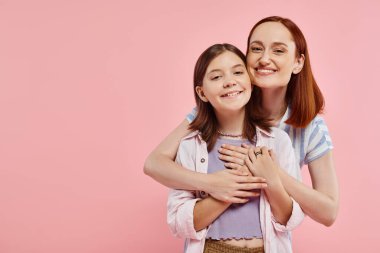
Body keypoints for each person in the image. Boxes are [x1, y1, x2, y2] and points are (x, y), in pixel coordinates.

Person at [144, 16, 339, 227]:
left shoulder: (311, 128)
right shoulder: (226, 103)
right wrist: (214, 184)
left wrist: (273, 174)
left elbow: (328, 212)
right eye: (256, 49)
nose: (264, 58)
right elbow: (154, 164)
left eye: (278, 50)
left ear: (298, 62)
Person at [167, 43, 303, 253]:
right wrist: (231, 188)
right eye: (216, 77)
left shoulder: (278, 141)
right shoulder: (190, 146)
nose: (230, 82)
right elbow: (179, 222)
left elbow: (290, 219)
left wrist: (271, 178)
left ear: (249, 80)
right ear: (202, 93)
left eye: (238, 72)